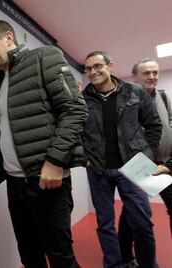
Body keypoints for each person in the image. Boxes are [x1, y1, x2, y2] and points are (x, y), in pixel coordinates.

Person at [0, 20, 88, 268]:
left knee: (60, 258)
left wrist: (55, 161)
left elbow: (74, 110)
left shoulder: (44, 57)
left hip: (47, 181)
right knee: (29, 254)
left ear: (7, 37)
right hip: (15, 185)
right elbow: (7, 134)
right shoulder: (2, 81)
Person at [82, 51, 162, 268]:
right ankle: (114, 264)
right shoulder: (81, 99)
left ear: (110, 65)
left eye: (97, 66)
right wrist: (84, 158)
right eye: (88, 68)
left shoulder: (134, 91)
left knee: (142, 222)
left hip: (133, 167)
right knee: (105, 224)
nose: (92, 72)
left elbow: (154, 126)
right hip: (98, 169)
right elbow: (75, 133)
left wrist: (146, 155)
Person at [118, 59, 172, 267]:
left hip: (165, 163)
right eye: (146, 73)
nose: (152, 76)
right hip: (140, 165)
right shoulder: (125, 101)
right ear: (134, 77)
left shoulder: (165, 98)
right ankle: (126, 257)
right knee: (133, 214)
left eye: (155, 72)